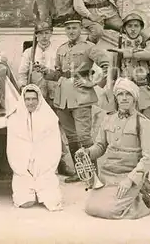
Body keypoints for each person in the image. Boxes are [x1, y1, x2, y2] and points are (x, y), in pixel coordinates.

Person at [37, 18, 110, 183]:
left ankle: (92, 174)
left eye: (74, 28)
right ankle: (80, 172)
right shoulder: (61, 49)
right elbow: (58, 74)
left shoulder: (88, 47)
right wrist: (45, 72)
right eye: (68, 28)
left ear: (80, 30)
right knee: (71, 137)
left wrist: (91, 82)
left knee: (84, 137)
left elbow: (107, 65)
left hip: (81, 97)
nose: (71, 31)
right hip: (62, 97)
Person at [78, 78, 150, 220]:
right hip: (108, 174)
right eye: (120, 94)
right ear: (116, 97)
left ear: (134, 98)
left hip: (128, 175)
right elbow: (100, 146)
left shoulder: (144, 123)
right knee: (91, 208)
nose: (124, 98)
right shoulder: (108, 119)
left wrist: (130, 180)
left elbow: (148, 158)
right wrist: (88, 152)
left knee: (110, 211)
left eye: (128, 94)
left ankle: (140, 201)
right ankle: (132, 199)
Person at [105, 12, 150, 194]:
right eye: (130, 26)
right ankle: (132, 177)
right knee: (131, 139)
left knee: (148, 138)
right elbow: (114, 70)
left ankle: (146, 179)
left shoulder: (148, 42)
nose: (133, 29)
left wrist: (129, 52)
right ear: (125, 28)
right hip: (128, 98)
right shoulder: (120, 44)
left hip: (147, 94)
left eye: (136, 26)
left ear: (141, 28)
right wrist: (111, 91)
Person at [17, 20, 75, 177]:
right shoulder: (29, 52)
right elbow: (22, 74)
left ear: (51, 33)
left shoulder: (58, 51)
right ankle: (38, 164)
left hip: (56, 95)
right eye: (40, 33)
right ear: (36, 35)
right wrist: (24, 88)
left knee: (58, 129)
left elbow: (65, 72)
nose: (44, 36)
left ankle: (61, 163)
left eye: (47, 33)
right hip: (37, 98)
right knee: (38, 130)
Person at [6, 84, 63, 211]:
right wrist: (24, 166)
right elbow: (14, 146)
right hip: (23, 168)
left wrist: (41, 163)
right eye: (27, 99)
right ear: (23, 100)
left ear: (39, 100)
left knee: (53, 201)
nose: (30, 102)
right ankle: (29, 189)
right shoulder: (14, 118)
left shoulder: (49, 117)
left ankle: (42, 189)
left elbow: (53, 145)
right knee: (25, 202)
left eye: (33, 99)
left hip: (44, 166)